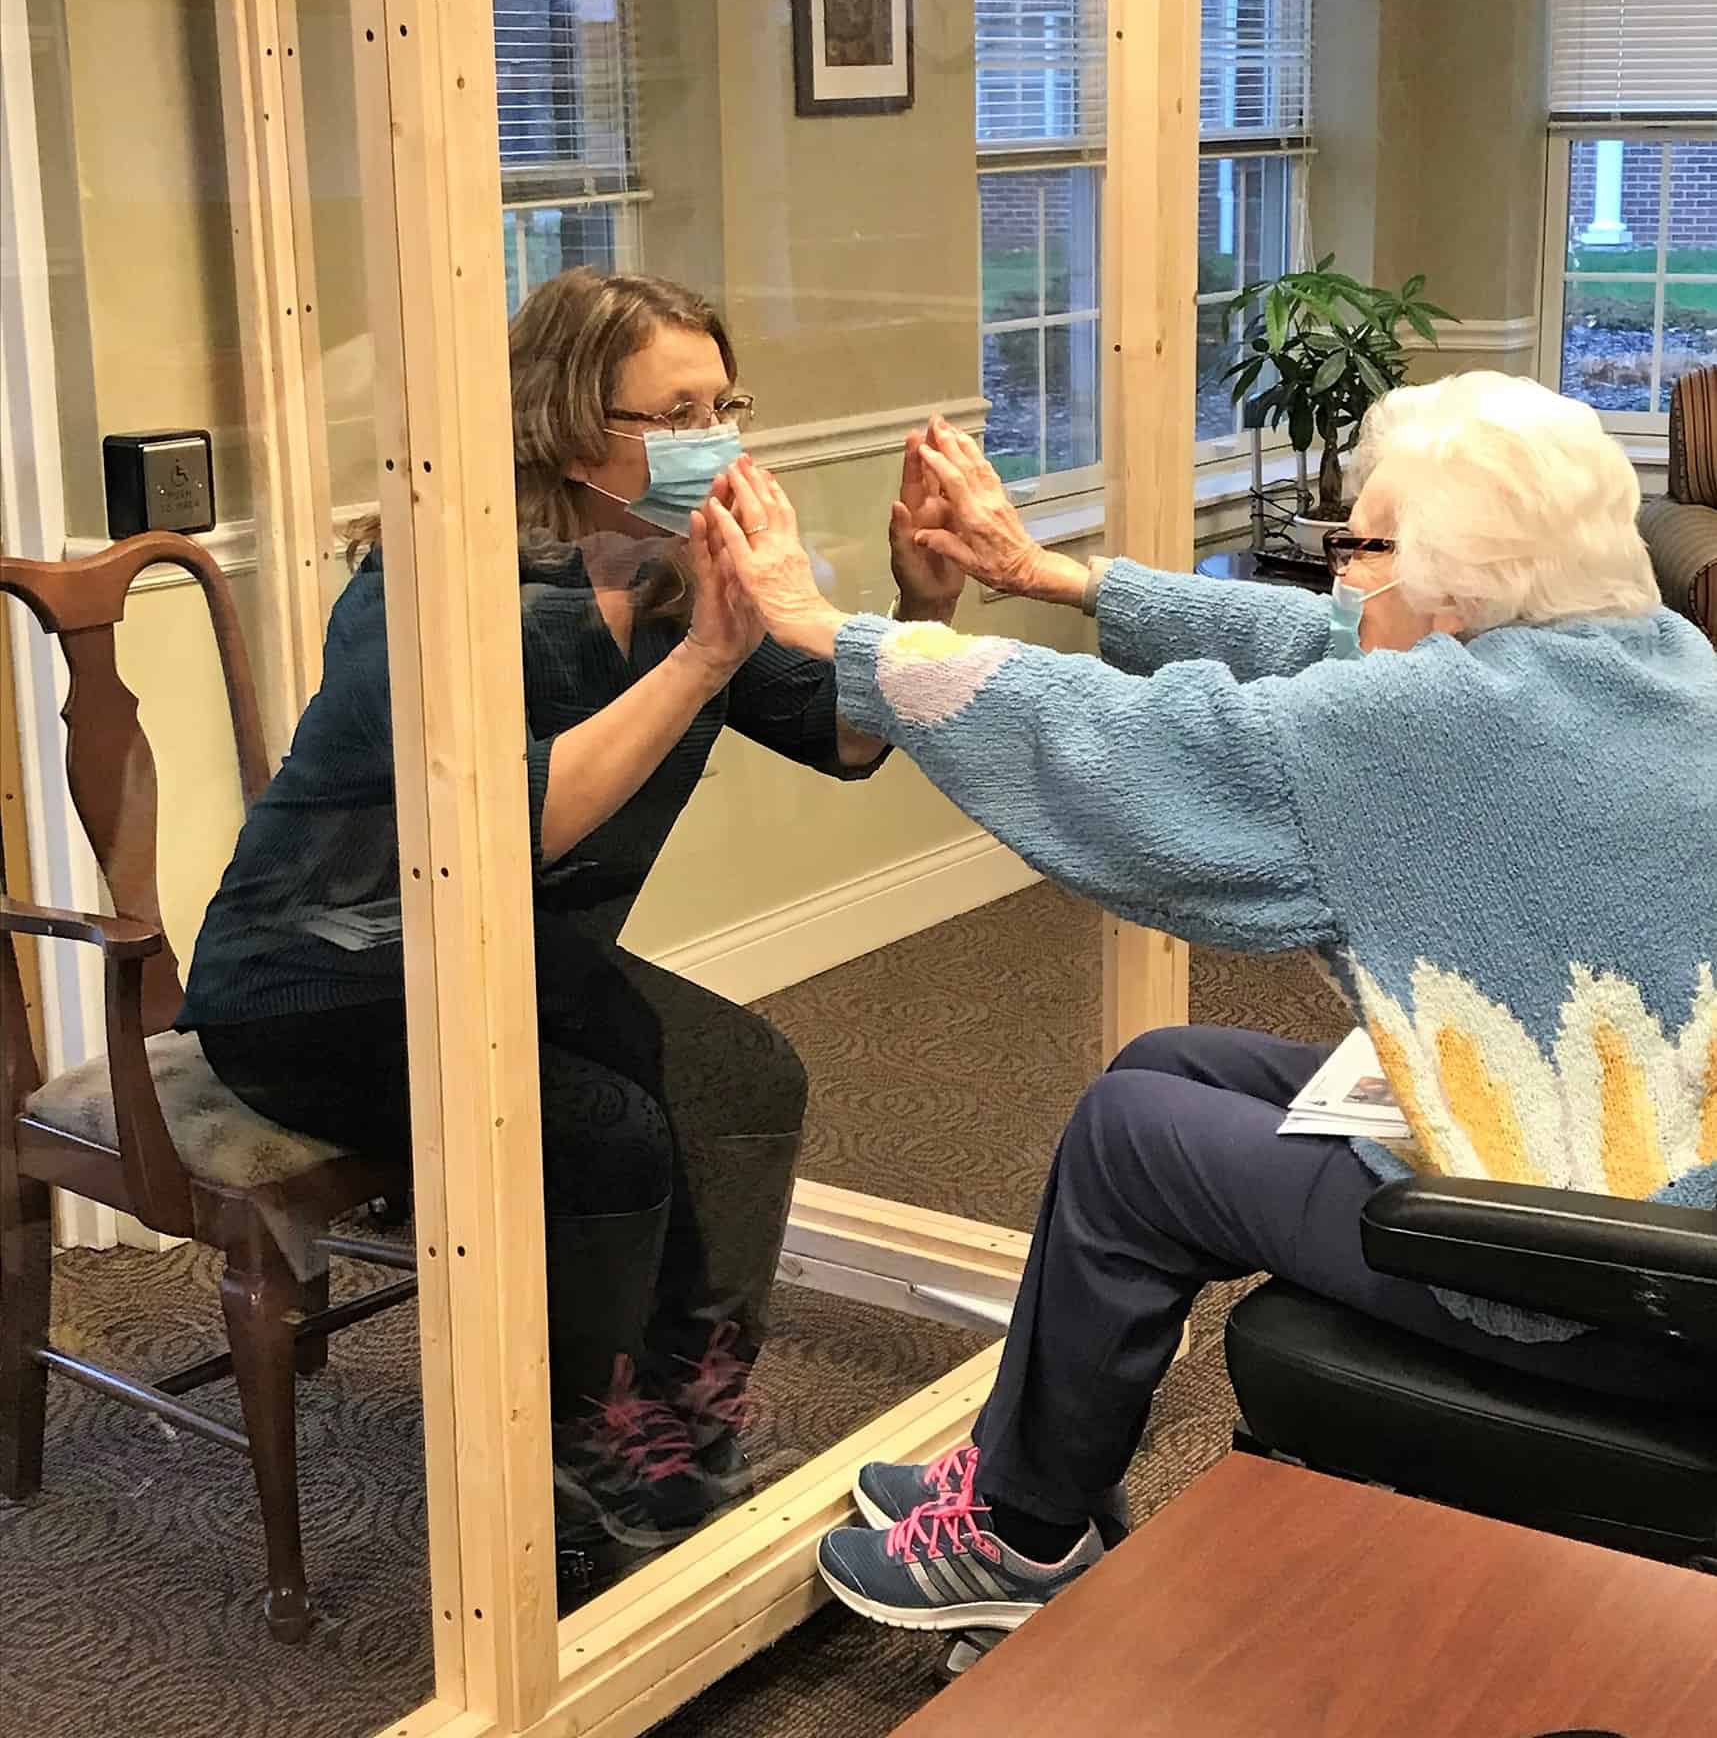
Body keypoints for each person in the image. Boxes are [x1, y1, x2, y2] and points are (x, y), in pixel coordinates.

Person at [703, 368, 1717, 1638]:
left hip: (1607, 1275)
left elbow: (1143, 744)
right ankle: (1029, 1461)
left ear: (1460, 588)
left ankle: (1021, 1535)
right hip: (1654, 1177)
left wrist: (826, 629)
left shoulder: (1431, 724)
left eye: (1368, 545)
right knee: (1169, 1062)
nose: (1346, 571)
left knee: (1131, 1143)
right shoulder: (1654, 655)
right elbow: (1333, 653)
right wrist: (1059, 577)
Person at [175, 266, 965, 1607]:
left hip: (511, 960)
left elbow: (843, 739)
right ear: (561, 422)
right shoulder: (425, 593)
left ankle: (680, 1437)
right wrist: (703, 660)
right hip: (318, 980)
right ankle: (578, 1471)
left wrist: (921, 601)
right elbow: (509, 825)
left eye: (725, 403)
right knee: (604, 1127)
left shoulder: (667, 579)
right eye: (676, 411)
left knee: (744, 1078)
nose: (717, 437)